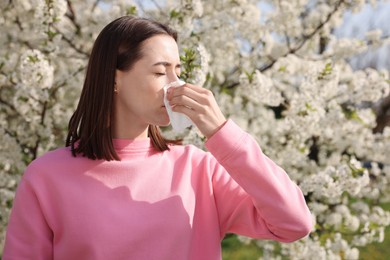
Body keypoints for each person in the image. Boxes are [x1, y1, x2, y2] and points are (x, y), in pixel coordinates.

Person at [3, 16, 312, 259]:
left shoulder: (198, 170)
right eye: (160, 72)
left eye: (178, 70)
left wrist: (222, 133)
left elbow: (294, 223)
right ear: (114, 78)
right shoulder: (46, 177)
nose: (175, 86)